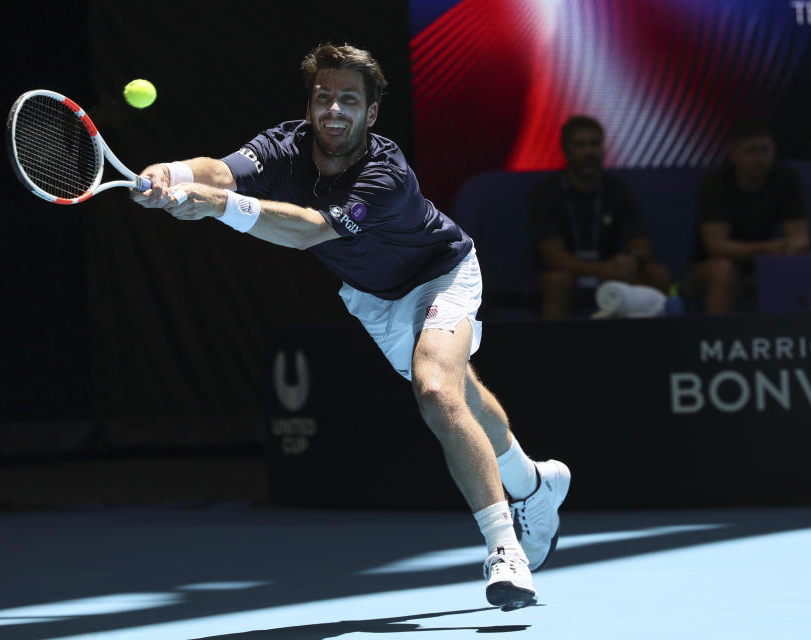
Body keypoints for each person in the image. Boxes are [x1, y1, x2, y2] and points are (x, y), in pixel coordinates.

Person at [130, 43, 570, 610]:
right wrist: (172, 174)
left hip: (442, 272)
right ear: (310, 104)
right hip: (374, 299)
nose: (333, 111)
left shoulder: (384, 174)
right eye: (323, 98)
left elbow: (310, 230)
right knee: (458, 394)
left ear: (371, 113)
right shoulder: (284, 147)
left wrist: (216, 206)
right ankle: (534, 484)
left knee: (435, 389)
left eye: (348, 100)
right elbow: (225, 170)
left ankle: (504, 548)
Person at [528, 116, 671, 319]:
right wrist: (598, 270)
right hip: (569, 274)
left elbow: (641, 245)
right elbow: (552, 256)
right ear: (566, 150)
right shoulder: (548, 192)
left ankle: (652, 347)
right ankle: (554, 349)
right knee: (557, 282)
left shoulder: (619, 190)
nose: (589, 151)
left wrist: (631, 259)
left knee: (657, 274)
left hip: (612, 275)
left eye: (594, 144)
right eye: (580, 145)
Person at [687, 120, 809, 313]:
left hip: (766, 262)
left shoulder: (786, 179)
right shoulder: (716, 183)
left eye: (764, 150)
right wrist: (765, 248)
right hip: (709, 266)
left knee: (798, 260)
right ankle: (720, 340)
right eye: (750, 151)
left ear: (774, 150)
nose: (759, 158)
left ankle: (794, 336)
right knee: (724, 270)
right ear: (734, 155)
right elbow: (716, 246)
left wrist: (789, 249)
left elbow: (800, 236)